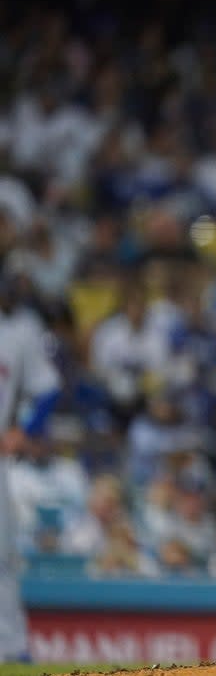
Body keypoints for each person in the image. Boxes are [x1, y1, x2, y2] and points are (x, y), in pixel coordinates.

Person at [0, 279, 61, 662]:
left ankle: (13, 647)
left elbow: (49, 387)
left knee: (2, 558)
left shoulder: (14, 333)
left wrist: (24, 428)